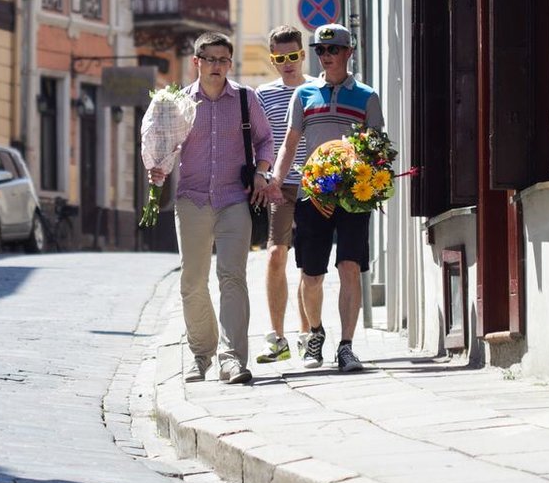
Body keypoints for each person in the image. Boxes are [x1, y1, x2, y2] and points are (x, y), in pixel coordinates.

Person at [151, 31, 274, 385]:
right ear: (197, 63)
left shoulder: (245, 99)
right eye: (210, 59)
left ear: (229, 64)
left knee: (232, 277)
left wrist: (263, 172)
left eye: (223, 60)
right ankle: (200, 355)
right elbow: (165, 146)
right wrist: (157, 165)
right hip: (191, 200)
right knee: (192, 282)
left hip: (235, 199)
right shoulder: (179, 103)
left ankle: (232, 359)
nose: (217, 66)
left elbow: (265, 140)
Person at [264, 23, 384, 373]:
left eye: (333, 50)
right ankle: (315, 333)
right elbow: (289, 142)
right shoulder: (303, 95)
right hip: (312, 193)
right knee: (312, 273)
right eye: (320, 51)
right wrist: (275, 179)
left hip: (352, 195)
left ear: (349, 52)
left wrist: (373, 179)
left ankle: (346, 346)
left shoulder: (366, 96)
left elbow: (376, 146)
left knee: (349, 266)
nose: (326, 56)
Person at [254, 25, 314, 364]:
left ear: (303, 55)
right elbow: (260, 141)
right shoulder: (264, 95)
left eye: (293, 56)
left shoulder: (316, 90)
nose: (287, 63)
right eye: (280, 58)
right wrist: (261, 176)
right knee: (276, 254)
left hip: (315, 186)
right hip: (279, 186)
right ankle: (277, 338)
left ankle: (307, 336)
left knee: (308, 261)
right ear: (273, 59)